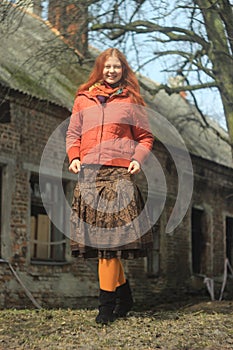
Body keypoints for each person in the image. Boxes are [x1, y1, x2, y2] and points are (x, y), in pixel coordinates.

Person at [66, 48, 154, 324]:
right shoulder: (83, 99)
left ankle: (106, 308)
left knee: (107, 245)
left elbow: (145, 137)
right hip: (90, 175)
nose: (111, 71)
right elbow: (73, 133)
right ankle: (124, 296)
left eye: (116, 67)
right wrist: (75, 157)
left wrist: (138, 160)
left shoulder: (132, 101)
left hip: (118, 175)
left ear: (123, 70)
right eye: (107, 67)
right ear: (100, 69)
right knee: (105, 246)